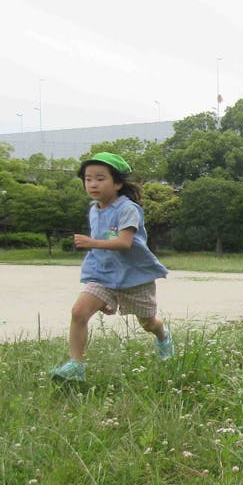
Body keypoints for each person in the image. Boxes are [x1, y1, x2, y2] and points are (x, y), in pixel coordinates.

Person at [50, 152, 172, 383]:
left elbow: (124, 243)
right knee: (78, 312)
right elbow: (102, 247)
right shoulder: (94, 209)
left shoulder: (128, 209)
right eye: (88, 179)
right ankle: (76, 365)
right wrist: (105, 295)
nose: (93, 184)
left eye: (100, 178)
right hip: (103, 275)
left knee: (148, 323)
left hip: (134, 277)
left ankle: (163, 337)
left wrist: (90, 242)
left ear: (117, 183)